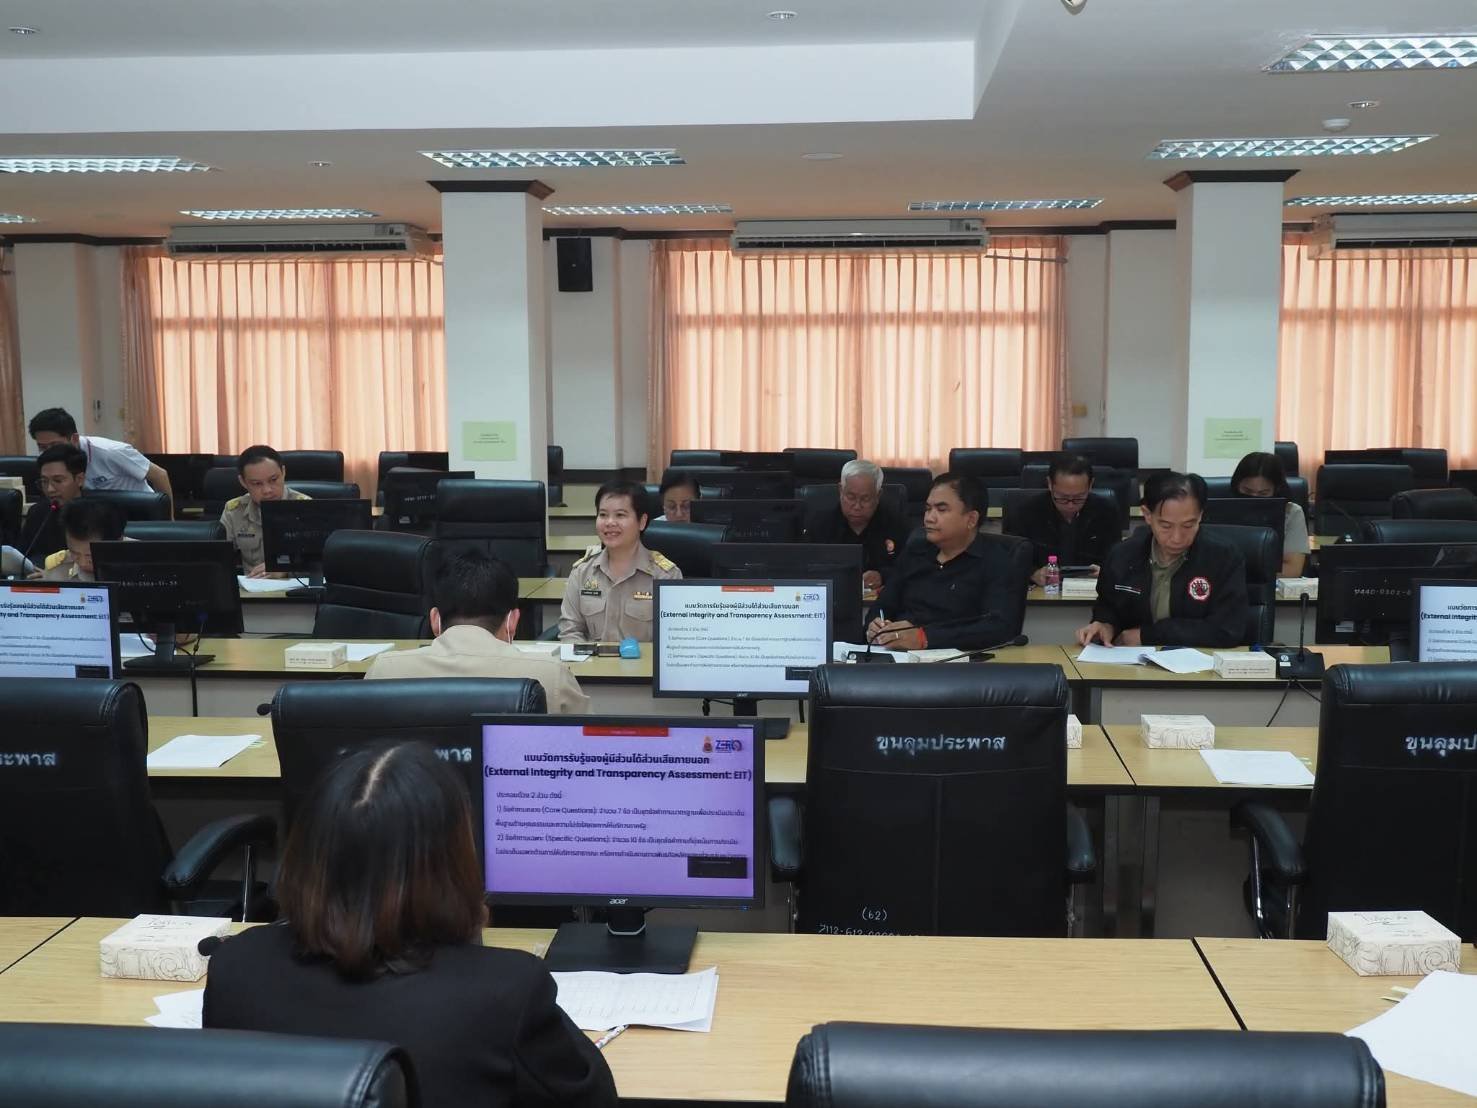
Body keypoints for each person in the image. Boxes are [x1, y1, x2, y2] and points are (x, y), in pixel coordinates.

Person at [203, 742, 617, 1108]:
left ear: (305, 853)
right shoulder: (508, 990)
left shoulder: (235, 966)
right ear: (454, 863)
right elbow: (592, 1097)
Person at [368, 550, 590, 713]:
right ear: (512, 621)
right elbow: (589, 751)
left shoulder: (384, 672)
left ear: (435, 620)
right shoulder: (550, 676)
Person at [1076, 471, 1248, 648]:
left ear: (1200, 516)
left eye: (1188, 525)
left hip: (1202, 661)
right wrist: (1105, 625)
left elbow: (1227, 629)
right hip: (1131, 660)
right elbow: (1108, 607)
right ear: (1147, 515)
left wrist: (1147, 636)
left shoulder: (1223, 557)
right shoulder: (1122, 555)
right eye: (1166, 526)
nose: (1177, 538)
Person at [867, 472, 1025, 651]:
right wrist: (875, 625)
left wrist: (925, 638)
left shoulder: (996, 561)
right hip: (897, 656)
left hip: (959, 661)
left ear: (971, 519)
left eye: (941, 510)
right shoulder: (915, 552)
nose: (929, 518)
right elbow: (883, 605)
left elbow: (999, 627)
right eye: (928, 509)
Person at [559, 479, 681, 643]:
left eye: (620, 515)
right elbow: (570, 632)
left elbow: (673, 640)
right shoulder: (582, 572)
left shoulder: (665, 576)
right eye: (603, 515)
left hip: (643, 661)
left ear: (642, 521)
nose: (609, 522)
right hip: (591, 660)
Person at [1010, 454, 1121, 584]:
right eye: (1062, 497)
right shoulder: (1026, 512)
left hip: (1090, 589)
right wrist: (1032, 573)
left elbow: (1117, 558)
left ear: (1090, 485)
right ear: (1050, 484)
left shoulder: (1106, 511)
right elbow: (1011, 558)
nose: (1070, 505)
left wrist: (1105, 572)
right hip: (1044, 590)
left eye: (1079, 498)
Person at [802, 458, 909, 592]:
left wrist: (883, 576)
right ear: (841, 490)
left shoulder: (896, 524)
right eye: (851, 497)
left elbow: (910, 567)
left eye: (865, 499)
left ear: (878, 495)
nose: (857, 506)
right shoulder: (819, 525)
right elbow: (805, 567)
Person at [28, 407, 173, 504]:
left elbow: (160, 475)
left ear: (74, 439)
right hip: (98, 517)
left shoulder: (111, 451)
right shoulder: (50, 464)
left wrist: (168, 520)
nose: (49, 452)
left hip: (139, 513)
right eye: (42, 447)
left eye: (54, 445)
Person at [220, 445, 311, 576]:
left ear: (283, 472)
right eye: (257, 484)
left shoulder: (306, 507)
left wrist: (287, 570)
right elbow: (220, 560)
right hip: (252, 586)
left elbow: (320, 564)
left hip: (296, 586)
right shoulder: (234, 511)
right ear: (243, 482)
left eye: (273, 480)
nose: (267, 490)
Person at [1231, 450, 1310, 577]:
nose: (1254, 497)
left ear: (1276, 489)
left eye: (1263, 493)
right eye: (1247, 491)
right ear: (1236, 485)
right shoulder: (1218, 508)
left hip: (1272, 585)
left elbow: (1293, 569)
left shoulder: (1291, 512)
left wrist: (1236, 573)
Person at [16, 443, 88, 565]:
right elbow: (22, 556)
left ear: (79, 479)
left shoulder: (98, 515)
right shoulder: (37, 512)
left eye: (58, 480)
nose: (50, 489)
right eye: (44, 481)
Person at [39, 498, 126, 582]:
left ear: (118, 542)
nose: (82, 563)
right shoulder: (58, 568)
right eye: (74, 553)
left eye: (90, 556)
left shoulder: (133, 563)